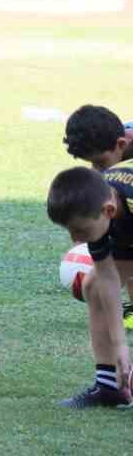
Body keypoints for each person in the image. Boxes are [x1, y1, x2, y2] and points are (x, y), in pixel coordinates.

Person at [49, 104, 133, 408]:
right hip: (126, 229)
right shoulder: (102, 206)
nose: (75, 241)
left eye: (80, 230)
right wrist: (120, 344)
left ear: (106, 211)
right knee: (95, 286)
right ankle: (110, 387)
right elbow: (109, 280)